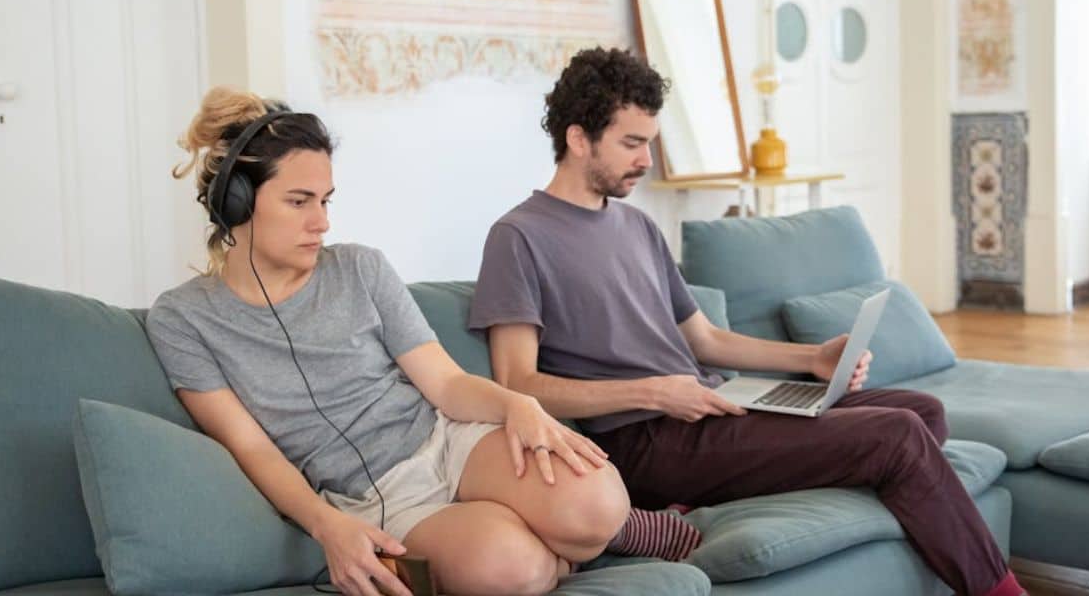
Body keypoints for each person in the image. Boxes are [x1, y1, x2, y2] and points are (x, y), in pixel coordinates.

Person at [468, 48, 1028, 596]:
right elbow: (517, 384)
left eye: (649, 144)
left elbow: (704, 339)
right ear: (576, 137)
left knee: (921, 410)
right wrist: (657, 393)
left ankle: (754, 482)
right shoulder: (519, 237)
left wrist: (810, 359)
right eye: (631, 143)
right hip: (641, 441)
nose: (645, 160)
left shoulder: (636, 227)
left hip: (707, 409)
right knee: (899, 436)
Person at [144, 87, 697, 596]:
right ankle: (570, 550)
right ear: (238, 204)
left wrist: (517, 405)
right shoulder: (184, 319)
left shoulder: (360, 268)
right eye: (299, 201)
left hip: (448, 440)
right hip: (374, 499)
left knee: (597, 505)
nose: (321, 223)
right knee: (513, 568)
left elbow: (447, 384)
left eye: (326, 200)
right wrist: (328, 526)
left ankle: (601, 531)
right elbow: (252, 448)